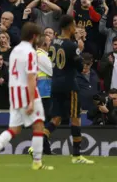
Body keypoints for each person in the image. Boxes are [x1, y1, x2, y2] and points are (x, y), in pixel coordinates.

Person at [0, 22, 54, 171]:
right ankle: (37, 162)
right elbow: (31, 77)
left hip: (14, 92)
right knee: (38, 124)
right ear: (35, 36)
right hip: (27, 91)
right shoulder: (30, 52)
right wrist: (31, 101)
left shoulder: (15, 50)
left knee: (14, 128)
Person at [41, 15, 94, 163]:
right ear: (69, 27)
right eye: (74, 25)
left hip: (55, 83)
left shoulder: (53, 43)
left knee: (57, 117)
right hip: (69, 85)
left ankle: (41, 138)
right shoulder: (72, 45)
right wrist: (80, 49)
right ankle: (76, 155)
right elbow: (79, 67)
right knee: (75, 117)